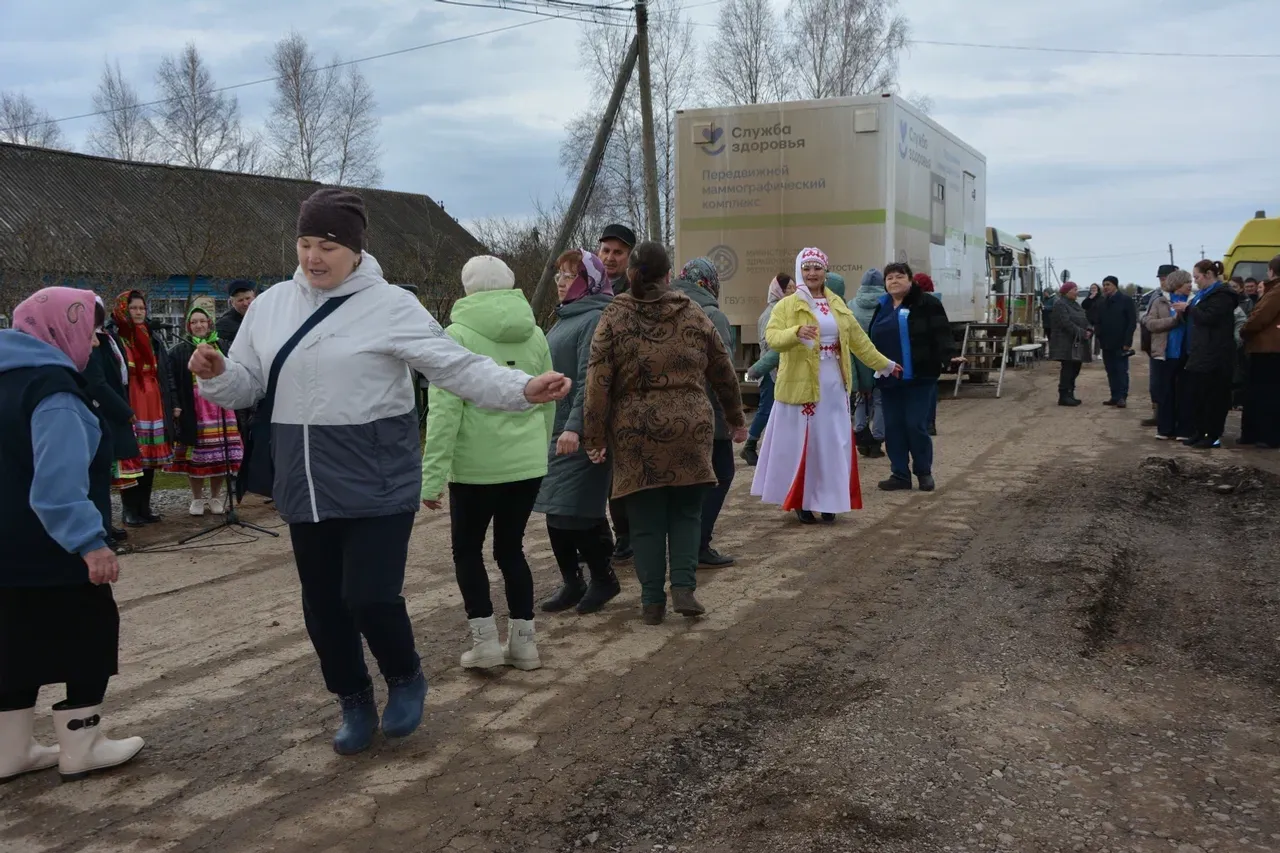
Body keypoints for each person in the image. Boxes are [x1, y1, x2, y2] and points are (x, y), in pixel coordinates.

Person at [188, 188, 571, 755]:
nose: (314, 257)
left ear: (355, 250)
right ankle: (353, 700)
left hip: (376, 477)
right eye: (305, 244)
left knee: (369, 595)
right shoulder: (271, 306)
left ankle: (405, 675)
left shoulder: (390, 304)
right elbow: (249, 383)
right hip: (305, 480)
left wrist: (521, 388)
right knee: (322, 605)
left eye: (328, 246)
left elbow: (455, 366)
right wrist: (217, 372)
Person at [0, 288, 144, 784]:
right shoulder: (54, 390)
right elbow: (57, 485)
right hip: (53, 549)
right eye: (91, 329)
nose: (94, 339)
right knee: (89, 636)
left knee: (10, 644)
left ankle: (9, 752)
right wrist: (90, 542)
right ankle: (82, 747)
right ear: (67, 328)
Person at [582, 242, 746, 624]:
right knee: (688, 512)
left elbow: (597, 381)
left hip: (634, 431)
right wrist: (736, 418)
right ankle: (685, 588)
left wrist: (593, 437)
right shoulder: (692, 313)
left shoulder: (614, 316)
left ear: (630, 273)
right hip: (690, 425)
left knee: (646, 519)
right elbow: (723, 369)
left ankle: (653, 601)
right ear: (668, 275)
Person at [420, 256, 554, 672]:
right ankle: (524, 644)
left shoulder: (455, 334)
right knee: (511, 550)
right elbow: (546, 398)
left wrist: (432, 477)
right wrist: (538, 450)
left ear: (467, 288)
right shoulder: (535, 334)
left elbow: (444, 412)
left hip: (476, 466)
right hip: (526, 463)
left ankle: (484, 643)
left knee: (467, 551)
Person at [751, 248, 895, 521]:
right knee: (804, 442)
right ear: (800, 272)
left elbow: (860, 342)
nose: (812, 273)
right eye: (807, 268)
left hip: (833, 384)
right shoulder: (787, 306)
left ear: (825, 272)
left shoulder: (839, 306)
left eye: (817, 268)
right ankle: (802, 500)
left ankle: (829, 499)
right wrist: (795, 333)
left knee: (832, 441)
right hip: (799, 385)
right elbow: (772, 338)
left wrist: (884, 364)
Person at [534, 250, 621, 615]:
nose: (561, 284)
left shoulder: (596, 318)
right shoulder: (565, 318)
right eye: (558, 278)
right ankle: (573, 581)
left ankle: (604, 578)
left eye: (568, 277)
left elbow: (592, 380)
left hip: (581, 432)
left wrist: (575, 428)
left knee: (577, 511)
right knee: (557, 511)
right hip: (555, 428)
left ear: (588, 281)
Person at [870, 263, 962, 492]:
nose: (894, 281)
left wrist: (949, 356)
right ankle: (899, 473)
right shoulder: (882, 305)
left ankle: (923, 472)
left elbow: (942, 332)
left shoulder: (927, 303)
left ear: (910, 280)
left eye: (899, 276)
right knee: (894, 427)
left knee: (915, 425)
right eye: (889, 278)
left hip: (920, 377)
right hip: (889, 378)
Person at [671, 258, 738, 569]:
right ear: (710, 283)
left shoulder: (663, 309)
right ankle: (698, 543)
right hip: (708, 415)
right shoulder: (712, 315)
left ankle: (681, 544)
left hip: (669, 416)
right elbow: (722, 372)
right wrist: (733, 418)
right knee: (721, 474)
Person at [165, 306, 243, 516]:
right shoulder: (179, 351)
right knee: (197, 455)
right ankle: (197, 498)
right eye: (194, 322)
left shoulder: (222, 347)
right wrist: (176, 404)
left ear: (209, 323)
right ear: (188, 326)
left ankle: (216, 496)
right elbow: (172, 380)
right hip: (195, 407)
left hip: (220, 407)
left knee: (220, 454)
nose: (199, 325)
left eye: (202, 321)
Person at [108, 290, 177, 526]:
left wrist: (173, 402)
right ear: (123, 309)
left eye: (142, 308)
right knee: (133, 456)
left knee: (150, 459)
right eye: (134, 308)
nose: (138, 312)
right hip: (132, 399)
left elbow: (165, 371)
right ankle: (128, 509)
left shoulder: (153, 335)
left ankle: (144, 507)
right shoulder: (115, 336)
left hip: (154, 399)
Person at [82, 297, 139, 549]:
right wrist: (124, 410)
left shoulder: (104, 336)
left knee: (105, 475)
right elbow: (96, 383)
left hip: (110, 411)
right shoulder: (87, 341)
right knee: (97, 477)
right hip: (101, 414)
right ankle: (100, 532)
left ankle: (104, 525)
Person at [597, 226, 638, 560]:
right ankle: (597, 536)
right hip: (595, 390)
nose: (610, 258)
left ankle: (628, 535)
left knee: (623, 471)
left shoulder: (634, 292)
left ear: (629, 257)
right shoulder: (589, 288)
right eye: (605, 251)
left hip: (626, 394)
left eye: (618, 252)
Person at [1182, 259, 1240, 449]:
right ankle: (1199, 432)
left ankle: (1212, 435)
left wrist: (1189, 309)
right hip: (1200, 353)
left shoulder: (1223, 296)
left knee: (1214, 398)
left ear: (1208, 275)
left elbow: (1209, 317)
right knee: (1198, 396)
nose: (1195, 281)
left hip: (1216, 356)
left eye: (1197, 277)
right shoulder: (1203, 295)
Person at [742, 273, 794, 466]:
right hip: (771, 369)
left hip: (782, 367)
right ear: (778, 291)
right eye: (788, 288)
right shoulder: (771, 312)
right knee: (766, 408)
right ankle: (749, 446)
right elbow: (767, 342)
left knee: (777, 410)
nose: (792, 292)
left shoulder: (784, 310)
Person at [1144, 270, 1192, 439]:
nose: (1190, 284)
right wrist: (1173, 320)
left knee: (1184, 393)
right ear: (1178, 283)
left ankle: (1183, 430)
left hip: (1186, 353)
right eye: (1187, 281)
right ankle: (1165, 429)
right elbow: (1150, 323)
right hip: (1164, 353)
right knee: (1165, 393)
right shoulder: (1160, 301)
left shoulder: (1193, 301)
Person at [1240, 257, 1280, 448]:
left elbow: (1259, 317)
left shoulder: (1276, 291)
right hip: (1271, 347)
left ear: (1272, 270)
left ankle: (1266, 436)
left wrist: (1244, 331)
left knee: (1264, 393)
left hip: (1267, 349)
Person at [849, 269, 887, 458]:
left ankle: (861, 432)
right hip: (882, 359)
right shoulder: (887, 303)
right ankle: (878, 438)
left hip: (858, 362)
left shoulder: (851, 305)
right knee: (880, 401)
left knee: (861, 398)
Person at [1095, 276, 1137, 407]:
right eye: (1104, 285)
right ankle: (1114, 396)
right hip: (1106, 343)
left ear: (1115, 286)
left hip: (1120, 343)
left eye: (1108, 284)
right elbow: (1098, 321)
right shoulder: (1102, 302)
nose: (1105, 287)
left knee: (1121, 371)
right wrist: (1099, 335)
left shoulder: (1125, 301)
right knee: (1111, 371)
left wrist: (1127, 342)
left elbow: (1131, 322)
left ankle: (1122, 397)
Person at [1049, 281, 1093, 406]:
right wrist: (1083, 333)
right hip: (1065, 343)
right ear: (1067, 292)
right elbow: (1066, 323)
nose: (1077, 292)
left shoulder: (1075, 304)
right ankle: (1063, 395)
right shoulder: (1060, 304)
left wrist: (1089, 329)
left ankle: (1070, 393)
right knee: (1068, 369)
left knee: (1075, 368)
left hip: (1076, 343)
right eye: (1075, 290)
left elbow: (1084, 318)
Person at [913, 272, 941, 436]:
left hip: (920, 355)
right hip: (932, 357)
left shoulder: (914, 304)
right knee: (930, 391)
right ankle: (930, 422)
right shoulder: (936, 302)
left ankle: (921, 422)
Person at [216, 280, 257, 347]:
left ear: (254, 297)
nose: (245, 303)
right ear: (232, 303)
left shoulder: (264, 317)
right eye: (240, 300)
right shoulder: (223, 326)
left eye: (248, 298)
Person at [1081, 283, 1104, 356]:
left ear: (1098, 289)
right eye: (1092, 288)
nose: (1093, 290)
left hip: (1098, 321)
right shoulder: (1088, 298)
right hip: (1089, 320)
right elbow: (1083, 306)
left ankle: (1097, 353)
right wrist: (1089, 298)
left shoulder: (1102, 298)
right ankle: (1088, 353)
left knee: (1098, 338)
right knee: (1088, 337)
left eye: (1094, 288)